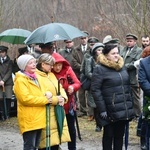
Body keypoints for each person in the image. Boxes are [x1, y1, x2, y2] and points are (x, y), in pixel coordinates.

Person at [91, 44, 135, 150]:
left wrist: (129, 104)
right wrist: (102, 109)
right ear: (106, 55)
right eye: (113, 53)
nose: (116, 55)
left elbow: (127, 87)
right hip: (108, 109)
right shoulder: (99, 69)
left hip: (122, 109)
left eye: (117, 53)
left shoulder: (122, 67)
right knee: (108, 136)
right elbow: (95, 90)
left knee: (119, 136)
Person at [13, 54, 53, 150]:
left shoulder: (35, 77)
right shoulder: (20, 80)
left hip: (38, 117)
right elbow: (25, 99)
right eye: (30, 63)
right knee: (30, 146)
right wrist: (45, 100)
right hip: (29, 119)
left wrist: (47, 93)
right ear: (24, 66)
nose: (34, 65)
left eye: (34, 62)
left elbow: (40, 92)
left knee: (36, 146)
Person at [35, 53, 70, 150]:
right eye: (50, 65)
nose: (52, 67)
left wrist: (63, 98)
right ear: (43, 64)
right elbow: (42, 94)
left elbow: (60, 88)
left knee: (55, 142)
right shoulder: (37, 77)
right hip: (45, 113)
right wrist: (56, 100)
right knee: (46, 143)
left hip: (56, 113)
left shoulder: (51, 75)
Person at [52, 52, 81, 150]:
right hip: (55, 105)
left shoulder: (68, 70)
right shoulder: (49, 73)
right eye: (55, 65)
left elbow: (77, 83)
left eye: (59, 65)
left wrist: (72, 87)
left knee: (71, 129)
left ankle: (72, 148)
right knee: (55, 129)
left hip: (68, 105)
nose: (57, 68)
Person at [83, 42, 104, 131]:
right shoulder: (90, 60)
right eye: (99, 50)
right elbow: (88, 72)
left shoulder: (106, 60)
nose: (101, 52)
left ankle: (104, 122)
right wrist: (97, 78)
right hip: (93, 85)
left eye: (102, 50)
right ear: (95, 51)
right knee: (95, 106)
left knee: (103, 105)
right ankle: (98, 125)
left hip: (104, 85)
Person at [120, 33, 142, 117]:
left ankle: (138, 114)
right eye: (127, 41)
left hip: (133, 77)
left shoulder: (139, 50)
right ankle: (130, 113)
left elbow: (136, 63)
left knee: (135, 97)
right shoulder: (123, 50)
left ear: (135, 41)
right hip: (123, 76)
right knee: (126, 96)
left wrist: (124, 66)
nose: (129, 43)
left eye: (130, 41)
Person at [80, 36, 99, 121]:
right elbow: (82, 68)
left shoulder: (101, 54)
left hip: (98, 80)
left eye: (94, 44)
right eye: (91, 44)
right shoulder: (87, 54)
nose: (92, 46)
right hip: (89, 79)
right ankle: (90, 114)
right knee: (89, 97)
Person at [138, 46, 150, 150]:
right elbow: (142, 81)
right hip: (149, 99)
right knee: (146, 123)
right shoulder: (144, 63)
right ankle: (145, 142)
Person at [0, 46, 13, 120]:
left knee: (8, 97)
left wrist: (3, 80)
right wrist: (0, 80)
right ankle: (2, 114)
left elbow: (9, 72)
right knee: (0, 98)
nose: (1, 54)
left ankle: (7, 113)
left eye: (2, 52)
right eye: (0, 52)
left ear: (5, 52)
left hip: (8, 83)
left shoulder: (9, 61)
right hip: (0, 82)